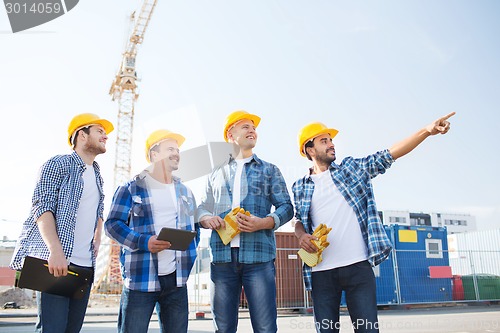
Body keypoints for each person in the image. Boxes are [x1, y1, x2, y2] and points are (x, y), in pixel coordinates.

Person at [293, 112, 455, 333]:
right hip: (322, 272)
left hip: (358, 267)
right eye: (324, 141)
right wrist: (301, 235)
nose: (331, 144)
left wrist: (427, 131)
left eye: (331, 140)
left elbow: (388, 155)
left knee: (367, 330)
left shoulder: (352, 169)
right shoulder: (300, 186)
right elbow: (299, 220)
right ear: (310, 150)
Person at [10, 113, 114, 332]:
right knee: (52, 329)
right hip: (57, 262)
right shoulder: (58, 164)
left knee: (71, 330)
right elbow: (42, 206)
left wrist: (97, 239)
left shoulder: (96, 174)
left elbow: (99, 210)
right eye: (99, 131)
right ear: (82, 135)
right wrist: (55, 250)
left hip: (84, 266)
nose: (105, 137)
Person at [197, 110, 294, 333]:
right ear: (230, 135)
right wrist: (206, 219)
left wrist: (265, 222)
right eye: (245, 127)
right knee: (223, 328)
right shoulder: (216, 172)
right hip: (221, 260)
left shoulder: (270, 170)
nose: (252, 131)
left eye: (254, 128)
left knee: (265, 327)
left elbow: (286, 207)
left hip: (258, 259)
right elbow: (202, 207)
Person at [104, 129, 199, 333]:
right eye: (170, 148)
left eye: (177, 149)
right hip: (141, 279)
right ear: (154, 154)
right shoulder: (131, 188)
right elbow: (112, 224)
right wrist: (142, 241)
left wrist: (189, 256)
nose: (176, 153)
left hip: (176, 281)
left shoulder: (185, 192)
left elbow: (195, 230)